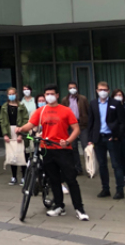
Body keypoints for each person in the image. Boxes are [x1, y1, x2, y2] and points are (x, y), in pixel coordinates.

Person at [17, 85, 89, 221]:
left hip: (62, 150)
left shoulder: (66, 111)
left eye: (51, 94)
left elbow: (76, 129)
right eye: (46, 94)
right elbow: (30, 125)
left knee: (71, 179)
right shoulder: (41, 110)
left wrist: (67, 141)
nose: (49, 96)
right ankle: (59, 205)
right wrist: (21, 129)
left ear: (57, 95)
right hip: (46, 149)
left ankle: (79, 208)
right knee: (54, 179)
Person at [87, 82, 125, 200]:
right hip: (99, 138)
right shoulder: (93, 103)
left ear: (108, 91)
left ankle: (120, 190)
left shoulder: (115, 103)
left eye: (105, 89)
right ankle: (105, 189)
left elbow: (122, 122)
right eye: (100, 89)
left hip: (111, 138)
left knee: (116, 164)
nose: (102, 91)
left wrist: (116, 136)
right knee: (102, 165)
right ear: (97, 90)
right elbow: (91, 122)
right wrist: (90, 138)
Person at [0, 87, 29, 185]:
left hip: (19, 130)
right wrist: (5, 134)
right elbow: (2, 121)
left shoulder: (21, 106)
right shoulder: (4, 107)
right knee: (12, 154)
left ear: (16, 94)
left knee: (21, 153)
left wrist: (21, 133)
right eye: (9, 94)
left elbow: (25, 119)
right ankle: (13, 176)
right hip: (9, 131)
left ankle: (24, 176)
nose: (11, 95)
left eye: (13, 93)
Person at [62, 81, 90, 176]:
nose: (72, 89)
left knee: (86, 147)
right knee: (73, 148)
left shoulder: (83, 99)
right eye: (70, 88)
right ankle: (78, 168)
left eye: (74, 87)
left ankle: (90, 168)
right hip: (71, 127)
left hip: (82, 125)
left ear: (77, 88)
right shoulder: (65, 100)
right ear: (68, 89)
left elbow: (88, 111)